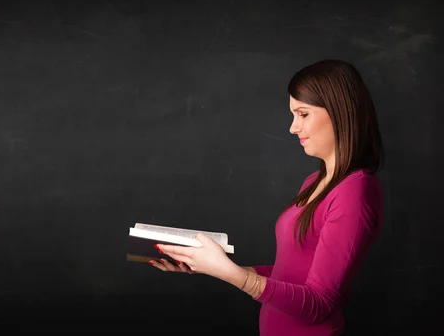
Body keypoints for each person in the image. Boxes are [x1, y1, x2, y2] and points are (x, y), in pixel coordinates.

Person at [151, 59, 384, 336]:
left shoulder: (354, 192)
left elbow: (319, 304)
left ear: (340, 112)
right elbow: (290, 273)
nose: (293, 128)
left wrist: (232, 275)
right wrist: (213, 266)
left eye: (303, 114)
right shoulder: (314, 182)